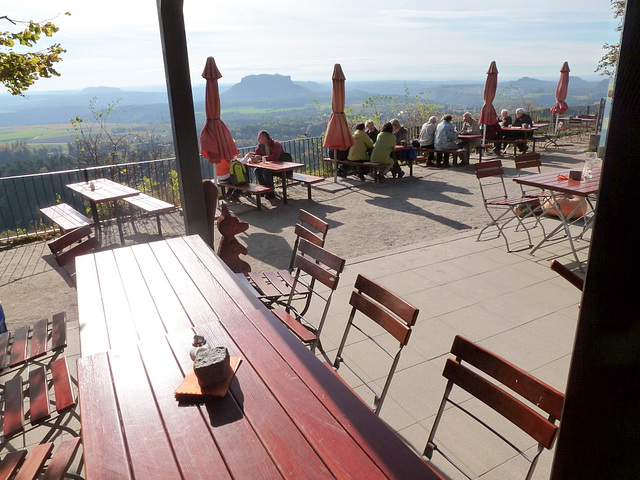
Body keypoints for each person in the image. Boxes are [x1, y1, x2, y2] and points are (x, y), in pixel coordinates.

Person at [247, 130, 283, 199]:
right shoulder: (261, 146)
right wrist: (253, 155)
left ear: (264, 138)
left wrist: (262, 157)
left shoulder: (276, 145)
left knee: (266, 172)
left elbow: (275, 157)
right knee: (257, 171)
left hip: (278, 166)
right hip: (269, 166)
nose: (258, 140)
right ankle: (264, 190)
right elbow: (257, 152)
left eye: (259, 138)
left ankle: (271, 192)